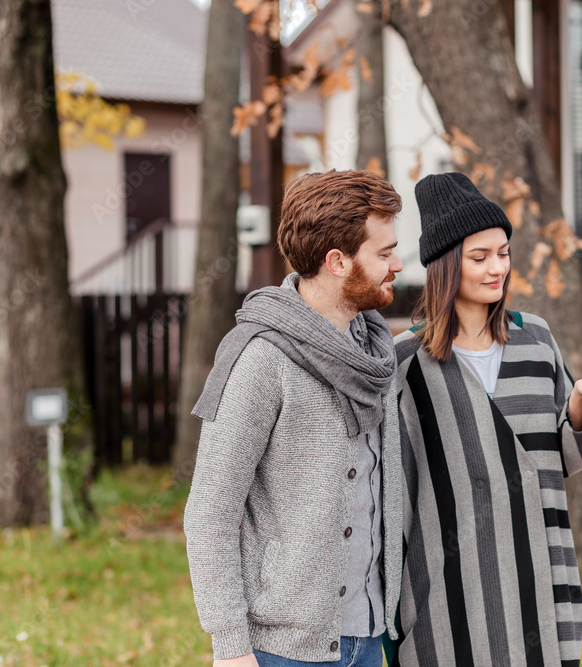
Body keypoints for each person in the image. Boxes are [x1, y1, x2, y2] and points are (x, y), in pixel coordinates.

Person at [390, 172, 582, 666]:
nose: (497, 267)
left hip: (538, 568)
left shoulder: (536, 340)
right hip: (450, 586)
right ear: (445, 265)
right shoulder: (405, 363)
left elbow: (568, 457)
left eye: (503, 253)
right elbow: (396, 488)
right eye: (479, 258)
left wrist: (581, 402)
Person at [184, 170, 405, 667]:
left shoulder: (374, 352)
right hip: (282, 652)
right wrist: (230, 648)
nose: (398, 263)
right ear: (338, 261)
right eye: (385, 252)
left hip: (370, 638)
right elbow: (209, 514)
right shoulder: (262, 358)